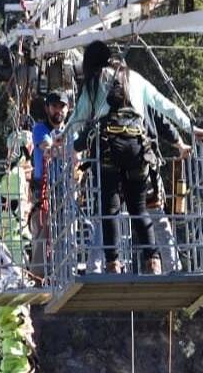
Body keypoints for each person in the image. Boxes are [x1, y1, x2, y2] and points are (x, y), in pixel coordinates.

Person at [59, 40, 193, 275]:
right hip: (138, 150)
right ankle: (154, 261)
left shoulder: (94, 82)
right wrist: (190, 127)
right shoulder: (135, 78)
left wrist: (62, 138)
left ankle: (112, 264)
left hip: (109, 149)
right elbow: (163, 106)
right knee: (139, 208)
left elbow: (78, 118)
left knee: (109, 209)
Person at [27, 91, 70, 276]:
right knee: (43, 231)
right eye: (54, 106)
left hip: (65, 188)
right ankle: (38, 276)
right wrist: (64, 149)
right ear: (47, 108)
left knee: (67, 228)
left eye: (62, 107)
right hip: (43, 189)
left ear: (68, 110)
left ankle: (65, 270)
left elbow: (74, 154)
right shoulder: (40, 129)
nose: (58, 110)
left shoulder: (71, 131)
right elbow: (48, 148)